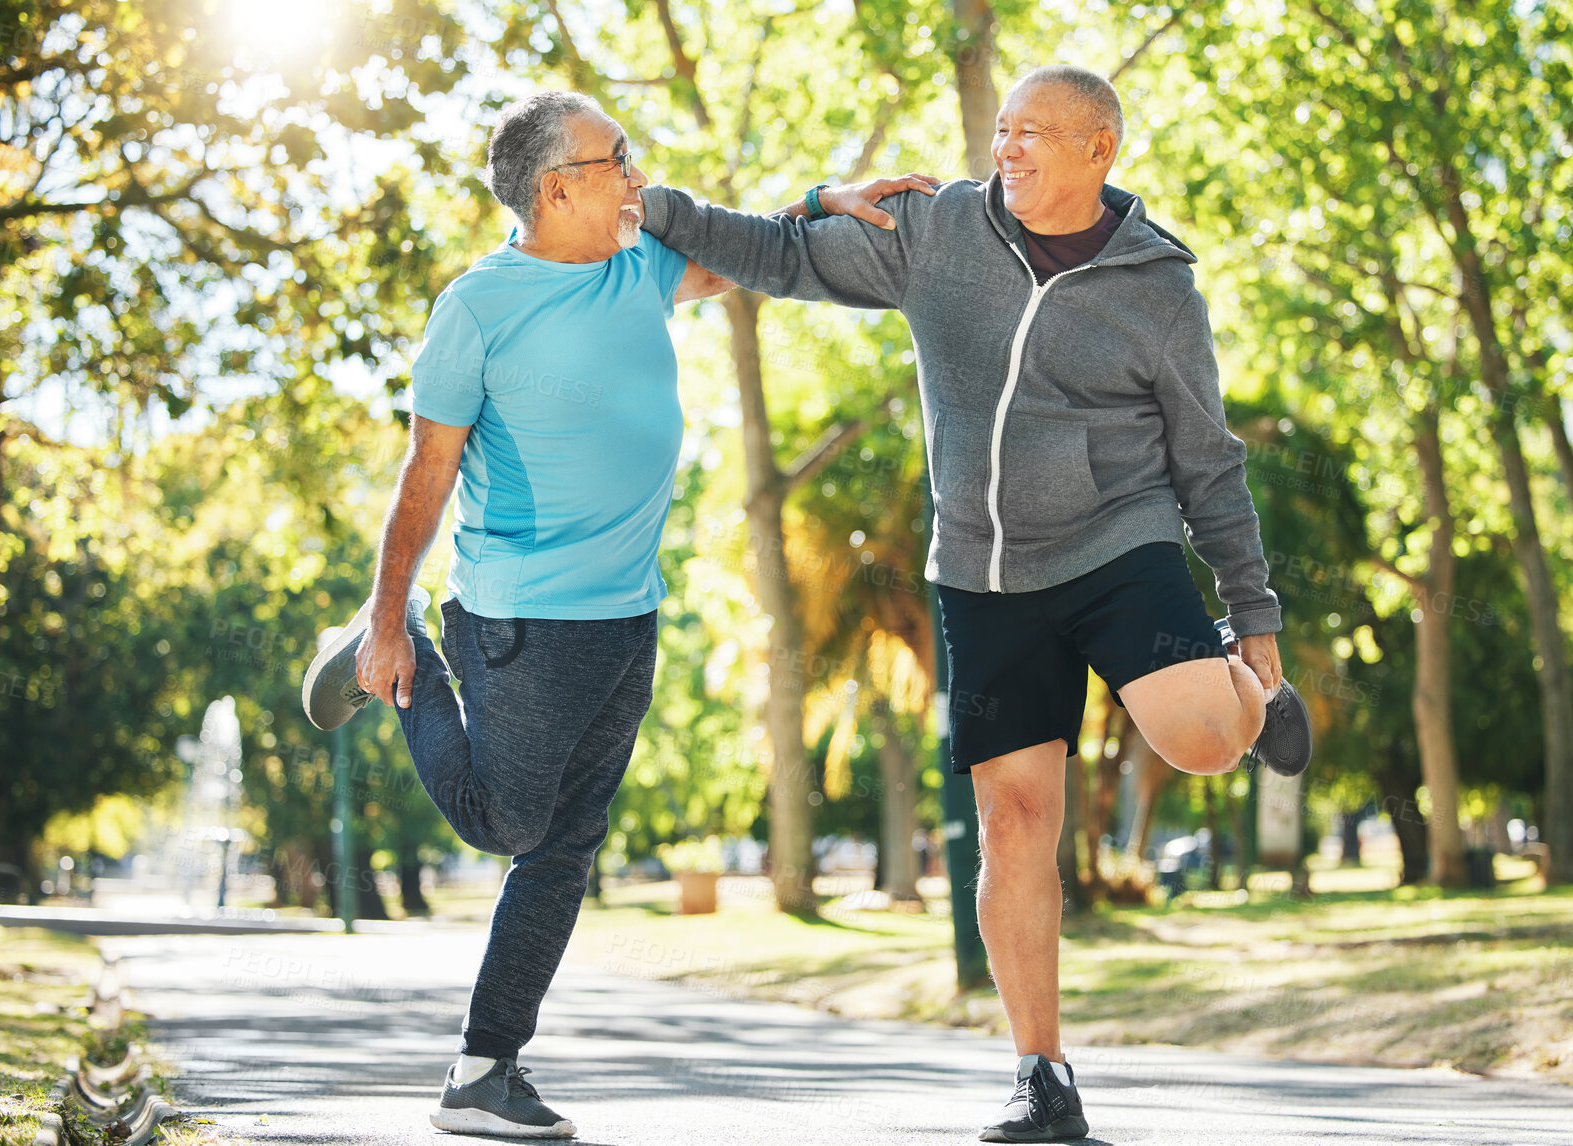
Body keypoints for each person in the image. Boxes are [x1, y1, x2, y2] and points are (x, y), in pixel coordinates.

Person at [635, 64, 1313, 1143]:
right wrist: (668, 206)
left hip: (1119, 542)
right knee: (1012, 820)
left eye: (1036, 134)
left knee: (1195, 740)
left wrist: (1256, 608)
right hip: (984, 573)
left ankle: (1253, 690)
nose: (1009, 149)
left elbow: (1208, 460)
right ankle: (1040, 1073)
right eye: (1003, 130)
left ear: (1101, 152)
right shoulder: (938, 232)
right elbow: (777, 258)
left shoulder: (1157, 286)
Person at [299, 90, 935, 1139]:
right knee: (505, 824)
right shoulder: (478, 307)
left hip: (626, 615)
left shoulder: (639, 264)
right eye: (617, 159)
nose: (638, 174)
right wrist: (385, 612)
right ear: (556, 190)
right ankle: (399, 650)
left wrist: (825, 199)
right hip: (520, 620)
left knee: (566, 847)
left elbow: (749, 253)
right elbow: (427, 471)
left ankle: (483, 1070)